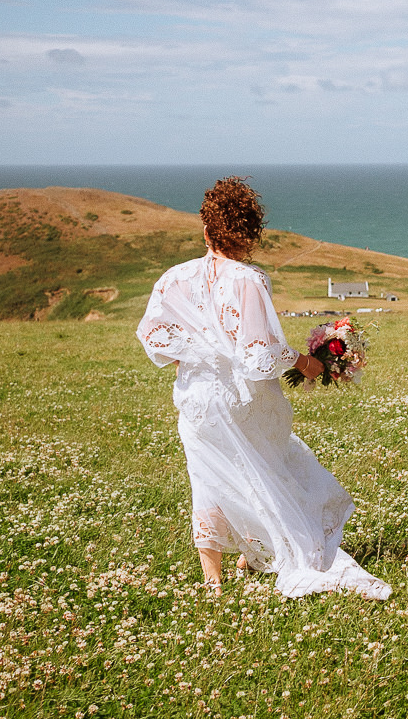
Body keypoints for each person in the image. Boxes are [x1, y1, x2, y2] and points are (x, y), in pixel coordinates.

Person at [136, 177, 390, 600]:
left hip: (197, 397)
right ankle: (268, 550)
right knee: (264, 470)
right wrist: (309, 363)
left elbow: (154, 336)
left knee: (208, 477)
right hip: (241, 398)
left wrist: (193, 357)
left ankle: (217, 575)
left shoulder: (173, 279)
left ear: (206, 229)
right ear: (251, 234)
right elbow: (261, 354)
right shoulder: (249, 280)